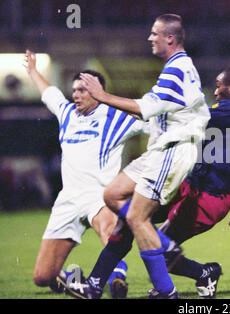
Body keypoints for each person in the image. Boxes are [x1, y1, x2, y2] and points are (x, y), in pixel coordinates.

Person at [66, 66, 230, 299]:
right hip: (190, 186)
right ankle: (94, 285)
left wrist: (110, 100)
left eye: (219, 85)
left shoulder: (229, 110)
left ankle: (204, 273)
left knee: (157, 247)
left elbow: (179, 115)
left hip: (208, 197)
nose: (215, 92)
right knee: (132, 220)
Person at [66, 14, 210, 299]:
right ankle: (152, 248)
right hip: (161, 150)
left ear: (170, 38)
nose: (150, 38)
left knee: (135, 218)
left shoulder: (177, 69)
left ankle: (165, 291)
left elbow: (147, 108)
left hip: (173, 150)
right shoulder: (177, 67)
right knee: (113, 195)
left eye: (155, 33)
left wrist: (102, 96)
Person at [24, 50, 146, 297]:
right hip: (68, 199)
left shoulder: (117, 117)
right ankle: (72, 278)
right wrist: (34, 71)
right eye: (75, 89)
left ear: (99, 93)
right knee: (42, 277)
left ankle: (117, 275)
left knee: (109, 229)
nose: (76, 94)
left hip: (100, 195)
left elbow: (154, 118)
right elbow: (50, 94)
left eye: (84, 89)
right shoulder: (67, 113)